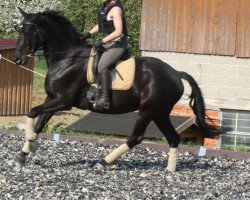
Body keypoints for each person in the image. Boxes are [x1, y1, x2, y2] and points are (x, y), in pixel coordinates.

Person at [82, 0, 129, 110]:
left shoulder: (116, 10)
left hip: (118, 44)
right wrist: (89, 33)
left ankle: (105, 99)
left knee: (102, 65)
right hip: (108, 43)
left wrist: (102, 41)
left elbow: (118, 31)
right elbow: (101, 25)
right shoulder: (106, 8)